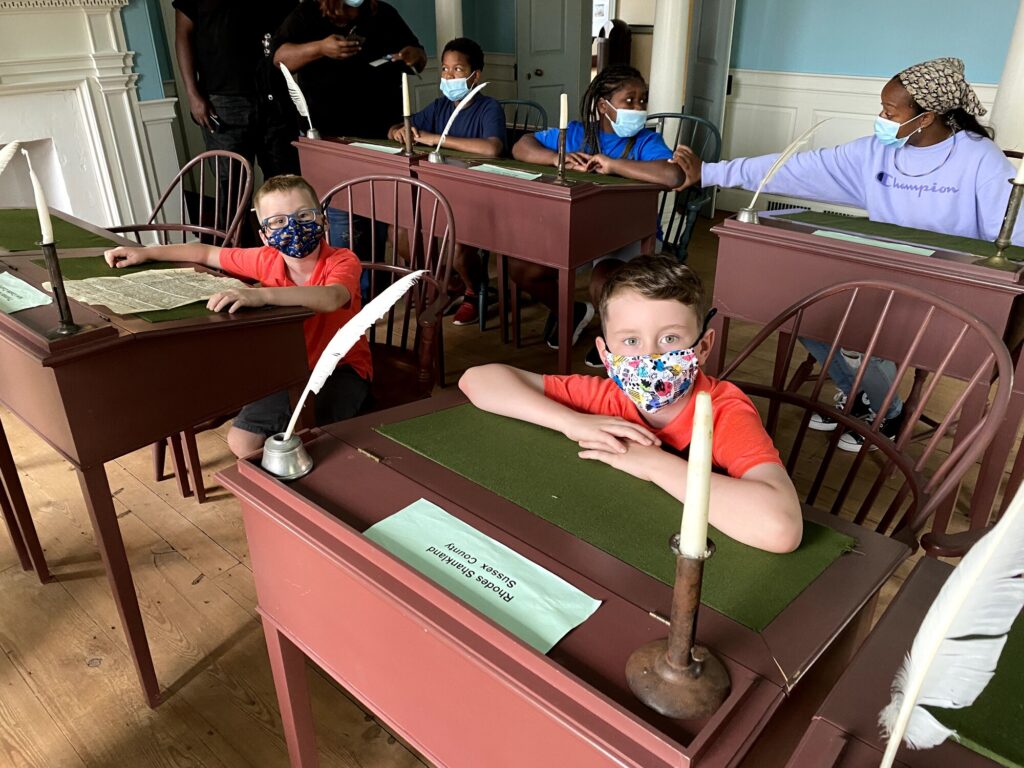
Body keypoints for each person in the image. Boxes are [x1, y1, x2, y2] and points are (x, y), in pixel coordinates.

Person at [673, 56, 1023, 452]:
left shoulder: (980, 159)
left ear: (925, 118)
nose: (881, 117)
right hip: (884, 272)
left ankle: (887, 413)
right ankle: (862, 393)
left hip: (947, 289)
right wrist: (710, 173)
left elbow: (1014, 237)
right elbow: (796, 168)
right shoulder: (876, 151)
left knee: (862, 330)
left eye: (890, 111)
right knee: (805, 310)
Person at [459, 255, 803, 554]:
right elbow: (477, 380)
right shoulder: (606, 396)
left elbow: (780, 528)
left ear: (702, 346)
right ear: (605, 354)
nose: (649, 356)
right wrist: (571, 422)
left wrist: (653, 464)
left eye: (669, 338)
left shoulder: (723, 410)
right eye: (631, 340)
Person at [102, 175, 372, 458]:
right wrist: (146, 253)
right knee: (242, 440)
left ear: (323, 220)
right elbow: (206, 252)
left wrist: (261, 295)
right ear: (265, 235)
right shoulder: (266, 258)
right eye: (278, 221)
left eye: (304, 215)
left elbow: (331, 297)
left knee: (321, 445)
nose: (293, 226)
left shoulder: (341, 260)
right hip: (286, 367)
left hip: (341, 370)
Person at [510, 65, 682, 364]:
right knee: (522, 268)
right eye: (629, 100)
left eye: (643, 100)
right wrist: (556, 158)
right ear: (604, 106)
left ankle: (611, 337)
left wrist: (612, 165)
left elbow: (671, 175)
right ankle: (571, 312)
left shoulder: (645, 141)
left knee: (604, 283)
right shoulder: (577, 133)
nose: (639, 108)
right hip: (577, 229)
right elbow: (521, 146)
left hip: (628, 234)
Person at [273, 0, 427, 261]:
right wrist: (321, 48)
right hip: (332, 141)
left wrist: (414, 55)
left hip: (382, 137)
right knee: (342, 225)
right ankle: (350, 289)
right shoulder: (307, 14)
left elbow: (420, 57)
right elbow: (279, 58)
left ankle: (375, 290)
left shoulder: (383, 13)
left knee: (380, 218)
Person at [388, 36, 507, 326]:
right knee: (399, 234)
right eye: (444, 69)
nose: (449, 76)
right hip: (439, 189)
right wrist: (397, 132)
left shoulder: (489, 108)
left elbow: (492, 148)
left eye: (457, 69)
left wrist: (435, 139)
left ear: (474, 75)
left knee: (456, 248)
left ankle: (475, 289)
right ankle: (453, 282)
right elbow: (401, 126)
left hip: (475, 193)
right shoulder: (439, 106)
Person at [173, 0, 301, 230]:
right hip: (222, 102)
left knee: (286, 182)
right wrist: (193, 95)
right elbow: (183, 35)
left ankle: (289, 253)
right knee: (231, 188)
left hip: (276, 98)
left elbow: (294, 35)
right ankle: (231, 257)